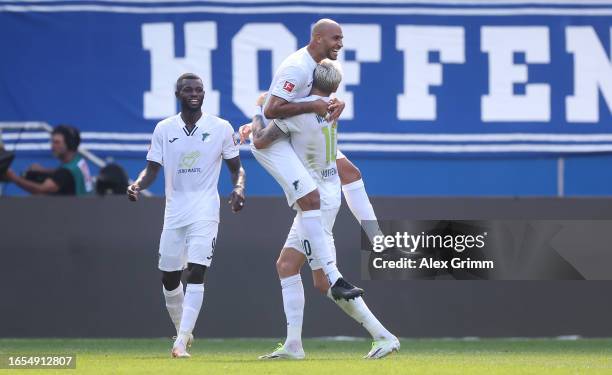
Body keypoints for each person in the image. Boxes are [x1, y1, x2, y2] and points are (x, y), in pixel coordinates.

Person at [252, 60, 399, 360]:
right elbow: (352, 173)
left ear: (308, 82)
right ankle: (293, 344)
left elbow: (261, 140)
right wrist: (372, 228)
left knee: (327, 279)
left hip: (314, 204)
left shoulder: (303, 111)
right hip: (326, 195)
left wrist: (257, 113)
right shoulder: (330, 108)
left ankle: (383, 336)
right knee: (288, 266)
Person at [126, 73, 246, 358]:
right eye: (188, 90)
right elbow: (152, 168)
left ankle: (179, 343)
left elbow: (235, 168)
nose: (194, 93)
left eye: (199, 90)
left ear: (204, 94)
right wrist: (137, 185)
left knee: (196, 270)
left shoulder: (220, 127)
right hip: (175, 210)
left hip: (205, 207)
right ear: (178, 94)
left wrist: (239, 188)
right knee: (169, 277)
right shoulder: (164, 129)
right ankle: (184, 331)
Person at [240, 18, 385, 249]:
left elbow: (296, 96)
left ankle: (376, 238)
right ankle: (339, 255)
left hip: (296, 126)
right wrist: (312, 106)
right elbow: (271, 108)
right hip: (282, 134)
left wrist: (335, 101)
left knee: (351, 173)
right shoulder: (298, 67)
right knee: (317, 199)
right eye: (335, 38)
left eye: (341, 39)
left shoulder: (314, 64)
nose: (340, 43)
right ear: (318, 38)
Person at [2, 125, 93, 195]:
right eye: (52, 142)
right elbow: (62, 172)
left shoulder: (65, 173)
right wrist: (42, 170)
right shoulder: (78, 161)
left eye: (57, 142)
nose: (52, 146)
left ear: (70, 144)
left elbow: (41, 190)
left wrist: (14, 178)